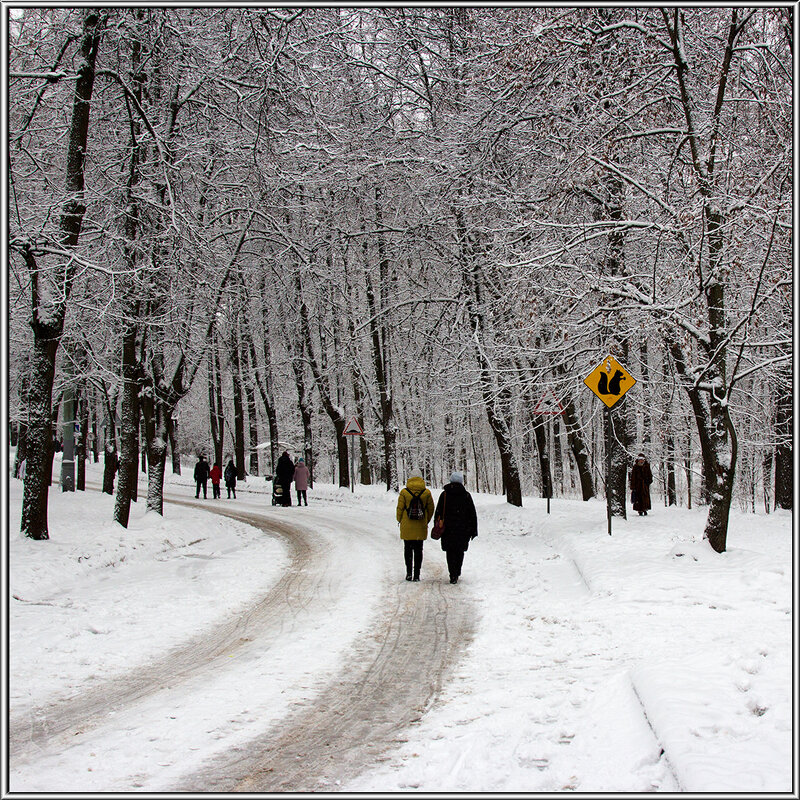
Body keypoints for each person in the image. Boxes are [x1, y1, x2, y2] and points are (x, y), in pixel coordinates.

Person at [433, 471, 478, 584]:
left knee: (450, 551)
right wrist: (473, 530)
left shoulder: (445, 495)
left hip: (448, 529)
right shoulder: (466, 495)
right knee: (459, 551)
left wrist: (437, 524)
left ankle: (452, 573)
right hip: (463, 529)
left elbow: (438, 511)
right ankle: (457, 571)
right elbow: (472, 513)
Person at [396, 468, 435, 582]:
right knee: (419, 550)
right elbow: (431, 508)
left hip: (407, 526)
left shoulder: (404, 492)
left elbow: (400, 508)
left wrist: (400, 520)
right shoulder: (426, 493)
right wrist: (426, 520)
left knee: (407, 549)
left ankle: (408, 573)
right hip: (420, 525)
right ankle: (417, 574)